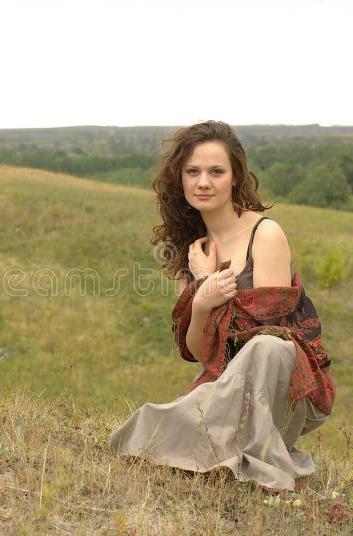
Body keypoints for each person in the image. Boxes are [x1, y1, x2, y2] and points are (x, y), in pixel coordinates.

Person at [110, 120, 335, 491]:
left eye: (216, 172)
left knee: (266, 348)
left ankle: (229, 450)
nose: (203, 182)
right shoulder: (192, 252)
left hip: (286, 386)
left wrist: (214, 286)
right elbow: (204, 354)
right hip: (226, 383)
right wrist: (201, 297)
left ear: (234, 178)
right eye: (193, 172)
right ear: (179, 179)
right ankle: (224, 446)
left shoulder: (265, 234)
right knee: (158, 420)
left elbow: (272, 332)